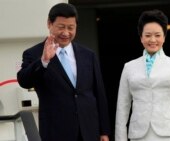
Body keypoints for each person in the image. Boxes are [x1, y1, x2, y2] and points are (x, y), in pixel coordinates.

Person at [17, 3, 110, 141]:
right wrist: (44, 61)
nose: (66, 33)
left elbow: (98, 94)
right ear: (49, 24)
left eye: (70, 28)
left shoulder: (88, 55)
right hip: (55, 131)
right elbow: (24, 81)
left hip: (89, 130)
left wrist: (104, 131)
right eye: (61, 27)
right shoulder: (34, 53)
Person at [115, 9, 170, 141]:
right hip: (139, 133)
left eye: (157, 35)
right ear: (141, 37)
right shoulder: (129, 67)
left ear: (164, 37)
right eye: (148, 35)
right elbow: (122, 106)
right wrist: (120, 138)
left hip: (169, 132)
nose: (153, 40)